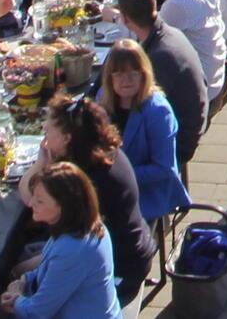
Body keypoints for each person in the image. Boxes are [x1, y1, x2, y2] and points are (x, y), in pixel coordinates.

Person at [29, 100, 148, 310]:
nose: (44, 128)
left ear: (67, 138)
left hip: (122, 268)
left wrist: (20, 274)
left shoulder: (81, 181)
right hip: (129, 249)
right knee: (29, 253)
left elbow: (71, 251)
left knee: (21, 268)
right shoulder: (100, 153)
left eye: (51, 126)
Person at [5, 163, 126, 319]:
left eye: (40, 201)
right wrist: (25, 280)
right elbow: (49, 269)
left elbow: (36, 313)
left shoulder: (73, 248)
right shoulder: (79, 226)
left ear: (64, 206)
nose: (31, 203)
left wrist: (16, 300)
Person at [114, 0, 209, 160]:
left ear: (125, 19)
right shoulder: (167, 33)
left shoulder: (157, 58)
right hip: (192, 119)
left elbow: (140, 109)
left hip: (180, 141)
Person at [95, 40, 189, 223]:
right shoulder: (102, 99)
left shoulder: (158, 111)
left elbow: (165, 169)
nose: (126, 80)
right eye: (119, 73)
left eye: (133, 73)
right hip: (108, 189)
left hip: (145, 194)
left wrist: (118, 176)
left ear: (144, 75)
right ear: (110, 77)